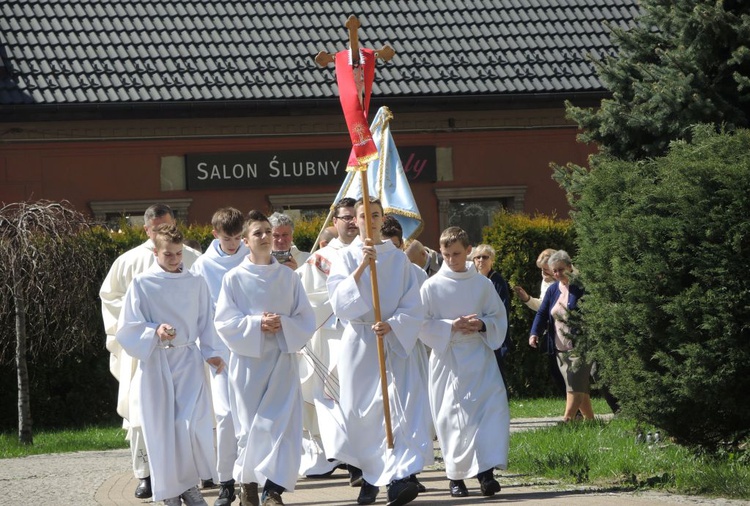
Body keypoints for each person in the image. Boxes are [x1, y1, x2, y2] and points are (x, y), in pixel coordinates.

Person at [327, 197, 433, 506]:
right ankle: (370, 477)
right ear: (355, 220)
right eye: (363, 215)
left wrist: (394, 324)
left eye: (375, 215)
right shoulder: (345, 257)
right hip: (361, 343)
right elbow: (339, 303)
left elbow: (414, 304)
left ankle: (399, 479)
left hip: (392, 342)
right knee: (363, 414)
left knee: (397, 410)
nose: (369, 220)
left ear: (381, 218)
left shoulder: (398, 260)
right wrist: (362, 266)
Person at [116, 223, 226, 506]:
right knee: (162, 429)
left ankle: (189, 485)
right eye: (169, 255)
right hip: (157, 363)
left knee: (188, 426)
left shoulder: (195, 282)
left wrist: (211, 352)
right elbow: (127, 326)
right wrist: (154, 331)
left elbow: (206, 320)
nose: (175, 259)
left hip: (188, 360)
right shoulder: (142, 283)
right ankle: (168, 492)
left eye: (179, 254)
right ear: (156, 252)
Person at [100, 203, 201, 499]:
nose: (163, 235)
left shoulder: (193, 259)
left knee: (187, 418)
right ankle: (146, 474)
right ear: (146, 230)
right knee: (144, 414)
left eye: (167, 227)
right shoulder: (129, 261)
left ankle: (187, 479)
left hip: (183, 352)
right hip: (143, 352)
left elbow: (206, 301)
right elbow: (111, 298)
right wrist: (146, 328)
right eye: (156, 229)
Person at [214, 210, 316, 506]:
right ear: (245, 241)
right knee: (250, 427)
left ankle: (272, 490)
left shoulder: (288, 277)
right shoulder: (233, 279)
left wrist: (283, 323)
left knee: (281, 425)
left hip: (282, 359)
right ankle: (247, 483)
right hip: (248, 363)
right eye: (257, 233)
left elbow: (305, 319)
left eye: (267, 232)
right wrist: (257, 323)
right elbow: (224, 322)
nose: (264, 237)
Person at [419, 227, 509, 498]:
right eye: (446, 254)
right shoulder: (431, 285)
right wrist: (450, 326)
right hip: (448, 359)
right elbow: (421, 324)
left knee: (489, 414)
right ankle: (455, 477)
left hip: (480, 357)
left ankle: (486, 474)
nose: (451, 259)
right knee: (452, 419)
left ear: (468, 251)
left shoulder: (482, 284)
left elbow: (498, 316)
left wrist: (482, 324)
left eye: (456, 254)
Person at [295, 198, 359, 479]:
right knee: (334, 399)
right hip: (333, 336)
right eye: (345, 217)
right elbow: (307, 298)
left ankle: (362, 458)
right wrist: (341, 305)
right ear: (335, 222)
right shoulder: (322, 258)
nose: (351, 222)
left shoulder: (371, 251)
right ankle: (342, 458)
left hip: (365, 335)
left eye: (355, 216)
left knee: (362, 398)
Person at [190, 207, 249, 506]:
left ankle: (251, 481)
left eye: (239, 237)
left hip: (252, 349)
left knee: (250, 418)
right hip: (220, 354)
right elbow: (199, 312)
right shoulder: (202, 266)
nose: (234, 244)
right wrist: (207, 350)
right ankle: (226, 480)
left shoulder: (252, 256)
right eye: (228, 238)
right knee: (225, 416)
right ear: (215, 234)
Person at [529, 250, 594, 422]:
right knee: (577, 386)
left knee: (574, 384)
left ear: (570, 267)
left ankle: (568, 420)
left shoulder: (581, 287)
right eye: (554, 270)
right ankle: (591, 420)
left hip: (581, 345)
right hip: (559, 347)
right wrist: (534, 333)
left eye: (561, 269)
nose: (557, 273)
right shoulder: (552, 290)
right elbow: (542, 314)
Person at [514, 248, 567, 397]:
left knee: (571, 374)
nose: (544, 273)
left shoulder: (567, 278)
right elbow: (543, 307)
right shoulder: (546, 281)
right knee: (556, 371)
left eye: (546, 269)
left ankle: (576, 412)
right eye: (541, 270)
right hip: (552, 330)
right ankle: (576, 412)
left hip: (567, 329)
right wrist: (528, 299)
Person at [471, 244, 513, 390]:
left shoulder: (497, 281)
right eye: (477, 257)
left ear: (492, 260)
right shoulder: (473, 280)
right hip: (477, 335)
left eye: (485, 257)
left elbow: (501, 310)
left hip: (494, 333)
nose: (481, 260)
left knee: (497, 375)